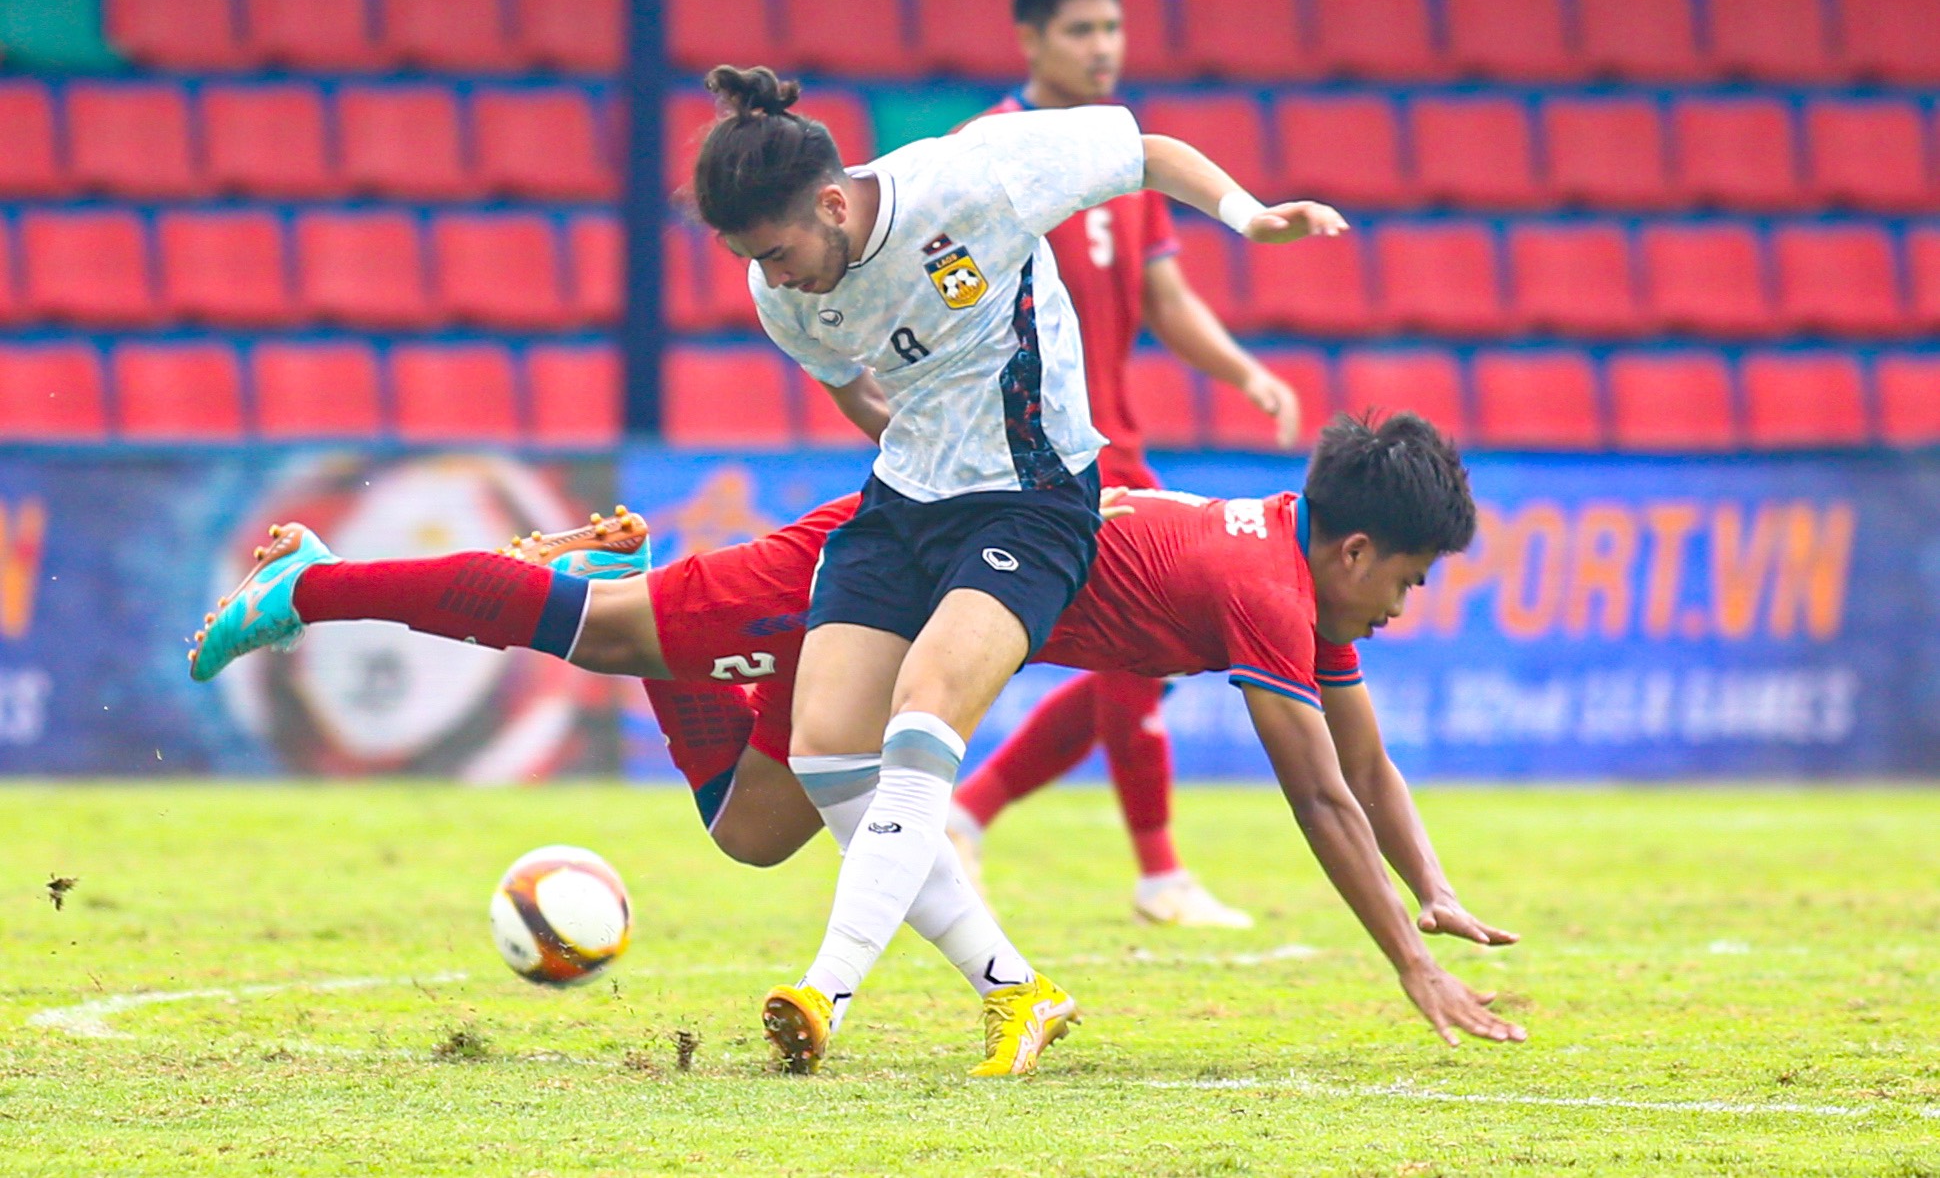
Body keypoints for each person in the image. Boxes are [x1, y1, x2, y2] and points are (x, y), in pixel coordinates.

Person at [188, 413, 1524, 1054]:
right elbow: (1321, 805)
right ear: (1356, 546)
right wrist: (1405, 961)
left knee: (755, 830)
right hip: (881, 567)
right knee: (608, 637)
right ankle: (308, 583)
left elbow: (1368, 766)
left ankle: (632, 593)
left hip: (941, 597)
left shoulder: (1296, 578)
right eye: (1407, 580)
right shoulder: (1260, 586)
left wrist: (1441, 892)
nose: (1402, 610)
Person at [684, 60, 1345, 1074]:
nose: (771, 277)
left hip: (1031, 503)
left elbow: (1146, 153)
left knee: (921, 715)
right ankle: (1016, 992)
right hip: (902, 504)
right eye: (749, 258)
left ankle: (825, 991)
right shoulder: (781, 295)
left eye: (776, 252)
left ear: (829, 201)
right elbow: (856, 391)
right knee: (824, 752)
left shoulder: (969, 178)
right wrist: (905, 430)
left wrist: (1248, 217)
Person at [950, 0, 1310, 928]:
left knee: (1142, 655)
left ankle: (970, 816)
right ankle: (1153, 871)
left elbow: (1163, 294)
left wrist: (1242, 370)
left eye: (1110, 28)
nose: (1101, 48)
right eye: (1079, 31)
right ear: (1028, 40)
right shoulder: (985, 151)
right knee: (1136, 653)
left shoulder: (1122, 152)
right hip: (1043, 449)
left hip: (1116, 442)